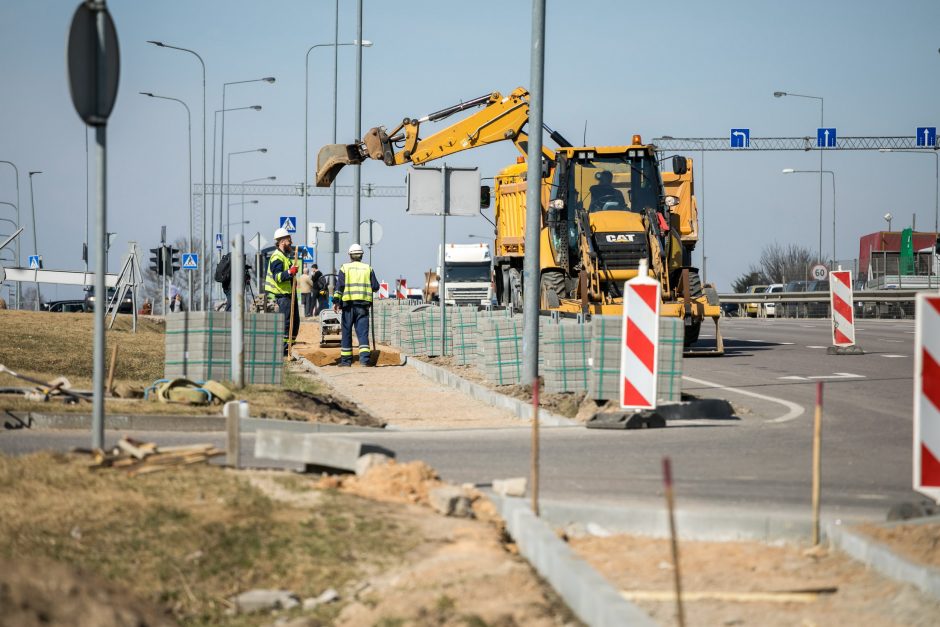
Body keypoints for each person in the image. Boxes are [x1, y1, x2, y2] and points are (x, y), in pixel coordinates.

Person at [333, 243, 379, 366]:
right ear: (362, 255)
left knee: (347, 332)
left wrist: (336, 302)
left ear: (350, 255)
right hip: (363, 306)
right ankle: (364, 360)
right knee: (363, 333)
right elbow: (375, 286)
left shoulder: (345, 268)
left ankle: (346, 361)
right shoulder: (368, 268)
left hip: (348, 306)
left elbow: (340, 287)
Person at [265, 227, 301, 355]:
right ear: (282, 242)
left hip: (289, 294)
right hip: (283, 296)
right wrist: (290, 272)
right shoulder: (277, 257)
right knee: (286, 323)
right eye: (288, 239)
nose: (291, 242)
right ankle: (283, 350)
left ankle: (289, 347)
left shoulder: (284, 257)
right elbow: (277, 277)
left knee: (294, 322)